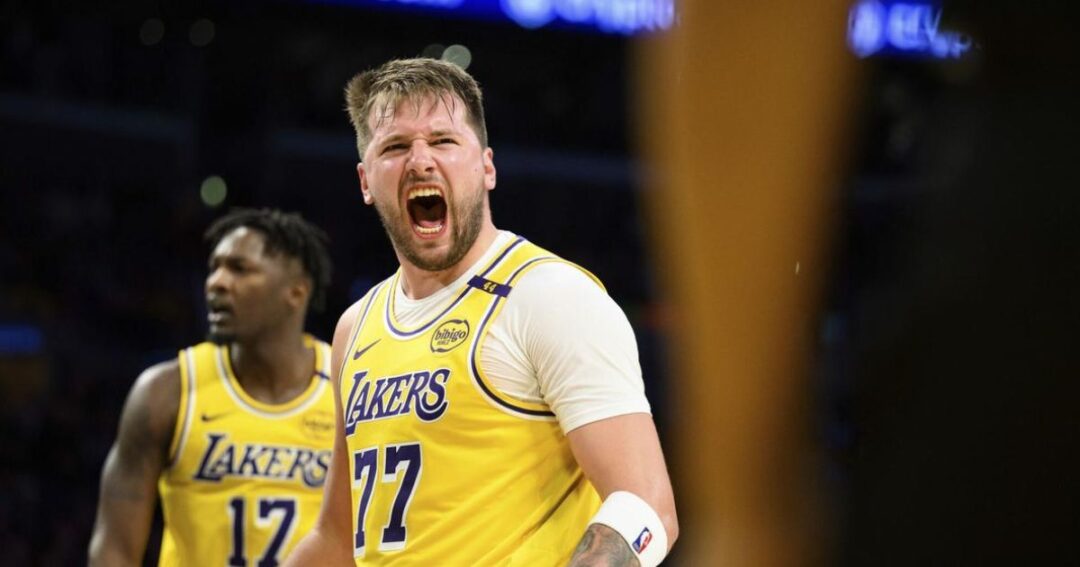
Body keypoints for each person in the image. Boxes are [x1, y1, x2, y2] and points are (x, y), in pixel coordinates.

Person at [286, 58, 677, 566]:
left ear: (487, 167)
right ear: (365, 180)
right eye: (395, 147)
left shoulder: (550, 296)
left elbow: (646, 506)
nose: (420, 161)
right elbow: (336, 541)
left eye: (443, 141)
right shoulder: (355, 326)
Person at [89, 208, 336, 567]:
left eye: (239, 268)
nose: (216, 282)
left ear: (296, 292)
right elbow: (115, 550)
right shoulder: (165, 393)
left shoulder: (348, 387)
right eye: (214, 268)